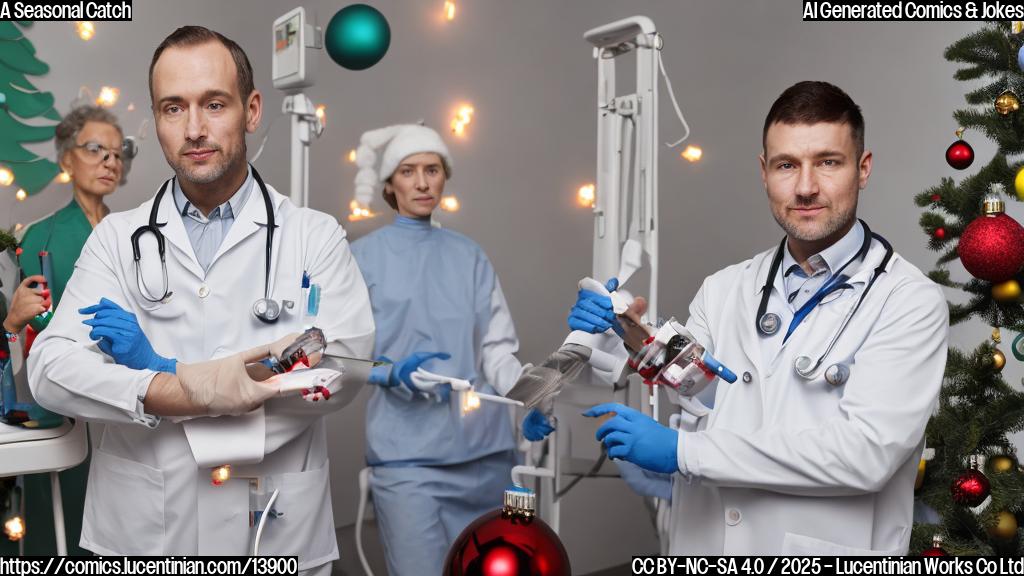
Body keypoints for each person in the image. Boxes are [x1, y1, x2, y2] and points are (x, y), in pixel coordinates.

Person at [27, 26, 374, 571]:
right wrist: (168, 386)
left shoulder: (313, 234)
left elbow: (343, 365)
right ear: (156, 119)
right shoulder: (119, 238)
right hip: (142, 536)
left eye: (214, 104)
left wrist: (171, 377)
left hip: (275, 533)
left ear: (252, 109)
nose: (194, 129)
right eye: (173, 108)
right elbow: (50, 368)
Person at [563, 81, 949, 554]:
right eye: (787, 165)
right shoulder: (726, 288)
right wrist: (627, 331)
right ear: (764, 173)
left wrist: (683, 452)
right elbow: (700, 387)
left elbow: (865, 455)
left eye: (828, 162)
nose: (806, 187)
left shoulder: (908, 301)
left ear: (862, 169)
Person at [349, 123, 524, 575]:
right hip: (409, 460)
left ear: (445, 176)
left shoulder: (469, 256)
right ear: (390, 184)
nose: (423, 182)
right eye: (409, 171)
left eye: (433, 169)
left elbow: (498, 349)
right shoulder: (361, 258)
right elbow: (334, 352)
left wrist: (531, 395)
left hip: (487, 455)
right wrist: (387, 372)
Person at [2, 105, 132, 555]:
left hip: (132, 396)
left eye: (118, 153)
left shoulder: (134, 232)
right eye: (95, 149)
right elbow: (31, 329)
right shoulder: (39, 237)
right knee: (64, 522)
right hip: (66, 399)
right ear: (66, 159)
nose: (109, 161)